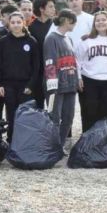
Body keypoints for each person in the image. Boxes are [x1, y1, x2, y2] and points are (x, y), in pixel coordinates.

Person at [0, 12, 40, 142]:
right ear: (9, 25)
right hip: (8, 84)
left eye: (18, 22)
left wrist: (31, 85)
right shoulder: (3, 42)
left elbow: (36, 66)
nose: (16, 25)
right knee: (11, 113)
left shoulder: (31, 41)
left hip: (25, 85)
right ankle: (11, 140)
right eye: (13, 22)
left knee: (25, 114)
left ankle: (24, 141)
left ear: (24, 23)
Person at [76, 11, 107, 132]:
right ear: (94, 23)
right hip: (89, 81)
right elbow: (77, 61)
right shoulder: (86, 40)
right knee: (89, 113)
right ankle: (88, 143)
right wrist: (78, 78)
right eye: (98, 20)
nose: (100, 22)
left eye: (103, 20)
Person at [44, 9, 79, 148]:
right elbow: (49, 61)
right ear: (66, 20)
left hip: (70, 85)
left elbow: (74, 61)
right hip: (56, 87)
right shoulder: (51, 38)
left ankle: (60, 146)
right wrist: (52, 84)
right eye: (73, 21)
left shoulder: (68, 38)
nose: (75, 24)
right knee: (54, 118)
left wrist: (76, 80)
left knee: (68, 117)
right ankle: (52, 147)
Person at [28, 0, 56, 107]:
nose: (54, 9)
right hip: (37, 71)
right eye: (50, 6)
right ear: (41, 9)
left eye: (54, 6)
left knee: (53, 104)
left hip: (54, 71)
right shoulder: (31, 27)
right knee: (38, 104)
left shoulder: (56, 25)